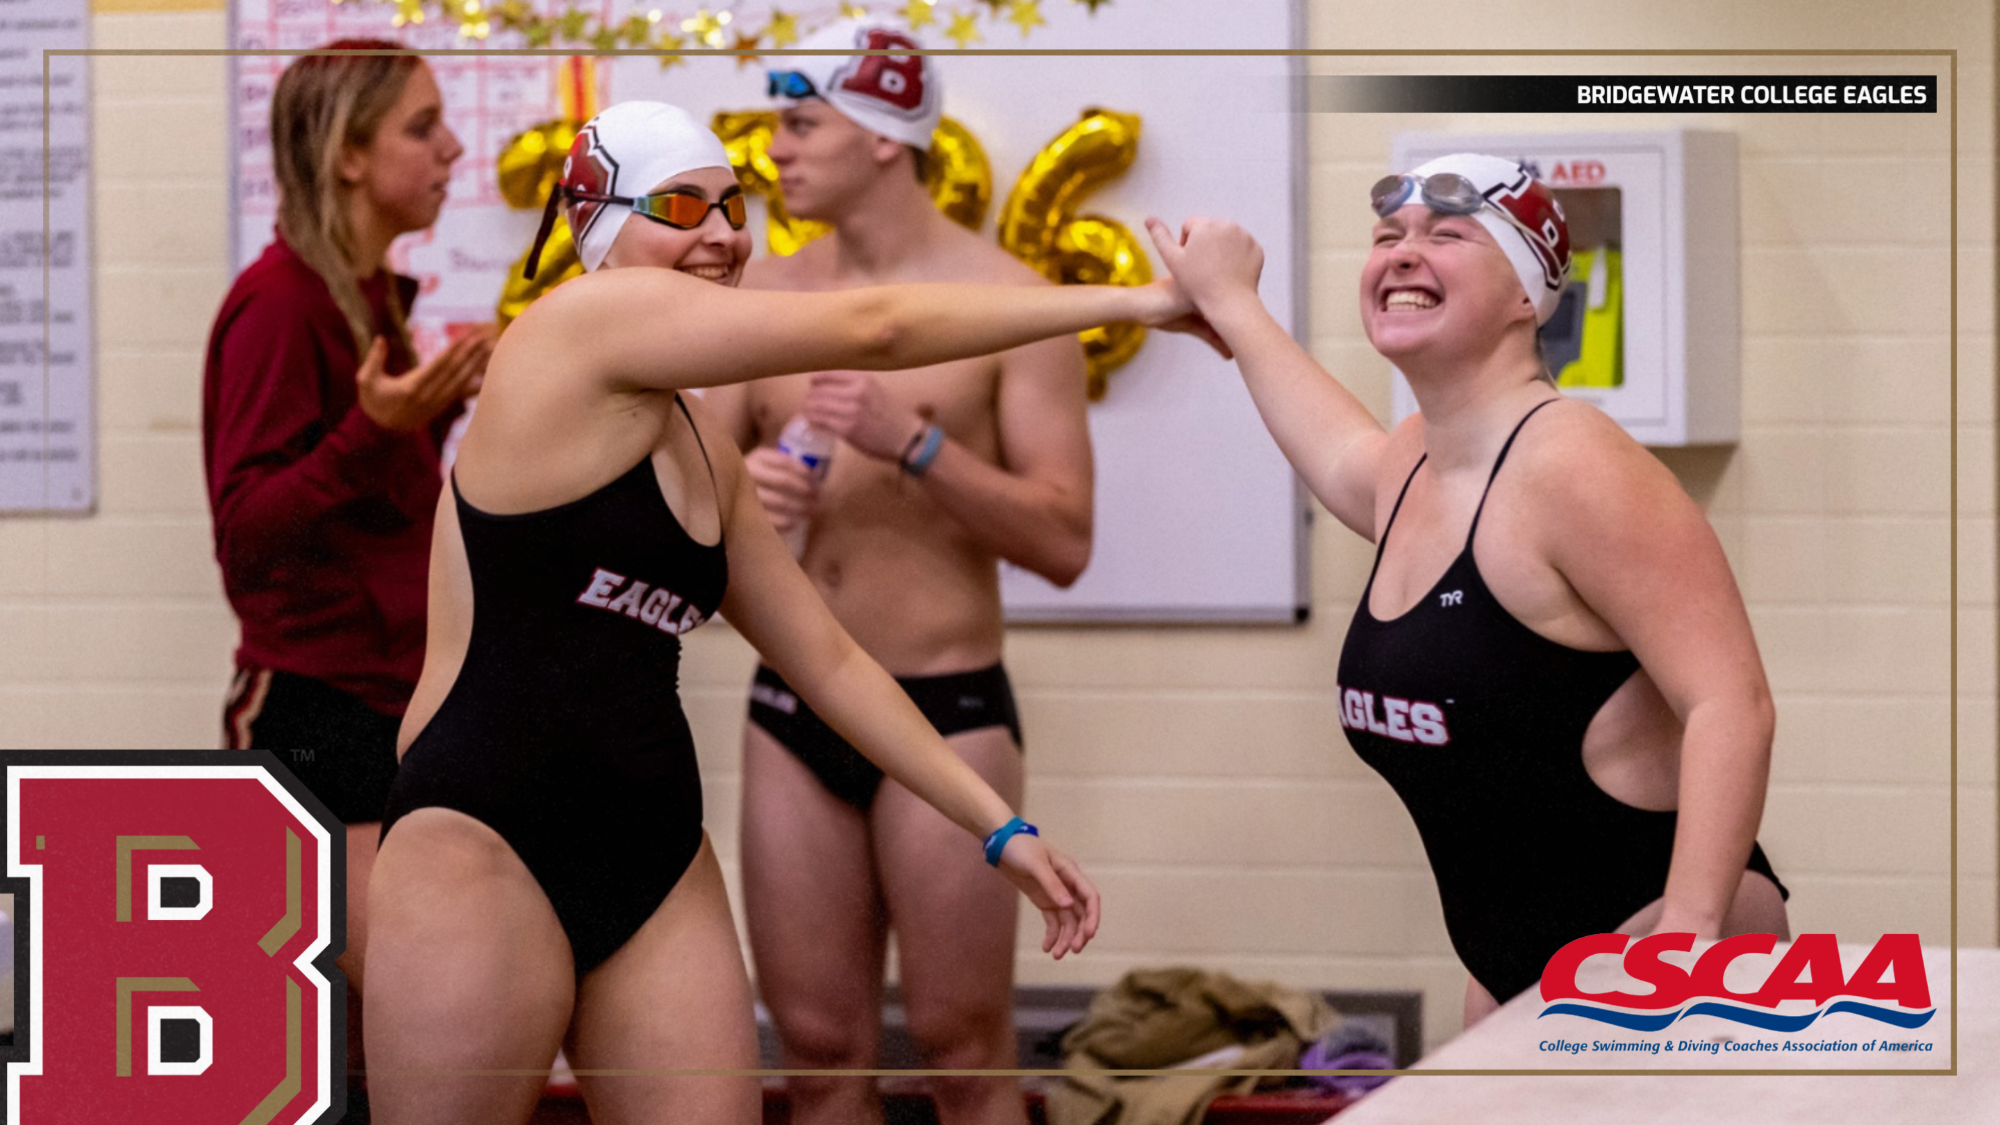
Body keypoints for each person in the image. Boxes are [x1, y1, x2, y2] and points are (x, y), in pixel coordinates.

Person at [363, 100, 1211, 1125]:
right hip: (481, 835)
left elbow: (832, 661)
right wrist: (1139, 302)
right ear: (600, 227)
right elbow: (878, 326)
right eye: (682, 206)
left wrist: (998, 828)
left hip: (653, 852)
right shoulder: (571, 330)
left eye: (735, 205)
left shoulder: (704, 453)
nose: (722, 235)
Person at [1146, 154, 1789, 1027]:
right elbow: (1335, 448)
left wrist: (1687, 932)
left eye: (1446, 235)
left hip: (1653, 944)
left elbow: (1731, 699)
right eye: (1387, 237)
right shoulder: (1415, 462)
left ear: (1528, 295)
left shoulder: (1575, 463)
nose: (1404, 254)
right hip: (1508, 964)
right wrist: (1233, 305)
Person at [701, 24, 1088, 1125]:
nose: (774, 150)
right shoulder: (758, 298)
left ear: (882, 138)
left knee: (962, 1046)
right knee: (817, 1051)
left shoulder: (1005, 304)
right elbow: (684, 494)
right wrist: (746, 501)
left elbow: (1064, 540)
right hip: (792, 710)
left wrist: (917, 446)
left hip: (946, 705)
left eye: (799, 123)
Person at [201, 39, 492, 1121]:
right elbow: (247, 533)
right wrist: (376, 431)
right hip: (316, 707)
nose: (452, 146)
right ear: (349, 156)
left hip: (392, 698)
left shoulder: (366, 295)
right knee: (406, 1015)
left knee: (400, 1039)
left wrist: (432, 413)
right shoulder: (279, 304)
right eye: (421, 126)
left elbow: (363, 500)